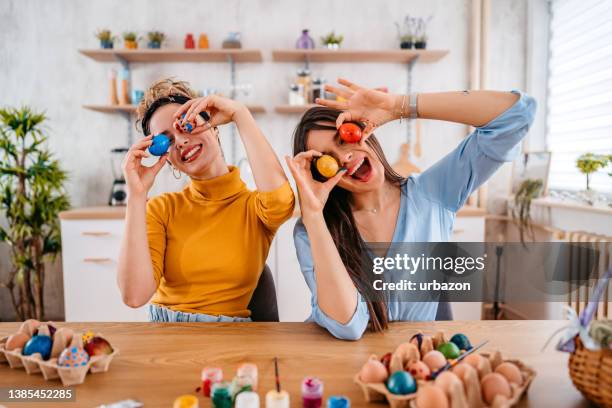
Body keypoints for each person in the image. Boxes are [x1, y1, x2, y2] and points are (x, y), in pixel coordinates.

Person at [286, 78, 536, 340]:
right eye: (327, 159)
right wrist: (313, 216)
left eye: (344, 139)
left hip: (414, 360)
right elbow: (349, 326)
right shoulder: (312, 231)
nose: (344, 157)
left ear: (364, 132)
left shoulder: (433, 193)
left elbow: (517, 115)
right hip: (338, 362)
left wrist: (399, 106)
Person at [117, 78, 294, 322]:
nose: (180, 142)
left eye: (186, 125)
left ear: (212, 124)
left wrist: (239, 114)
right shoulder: (162, 209)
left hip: (229, 340)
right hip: (166, 337)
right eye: (165, 141)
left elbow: (281, 201)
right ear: (165, 157)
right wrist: (136, 197)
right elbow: (135, 296)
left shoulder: (254, 210)